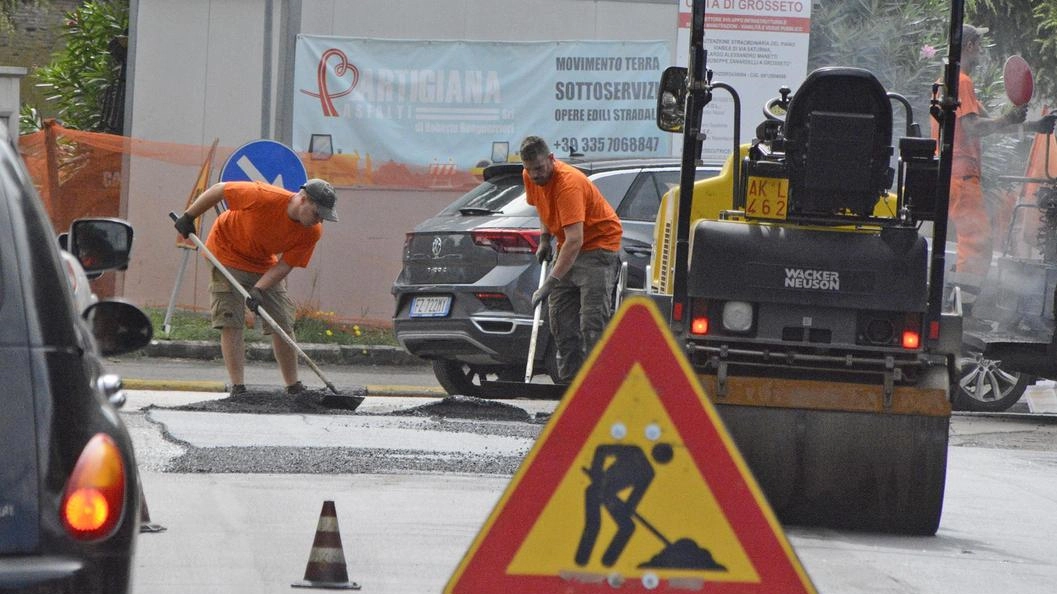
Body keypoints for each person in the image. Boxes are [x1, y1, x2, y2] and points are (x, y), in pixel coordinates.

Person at [173, 178, 339, 396]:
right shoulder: (263, 196)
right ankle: (238, 388)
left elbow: (285, 264)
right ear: (303, 199)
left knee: (282, 321)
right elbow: (220, 190)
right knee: (231, 319)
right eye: (317, 214)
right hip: (225, 252)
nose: (319, 221)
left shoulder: (312, 232)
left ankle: (293, 386)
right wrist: (189, 216)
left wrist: (259, 289)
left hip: (262, 262)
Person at [936, 24, 1056, 295]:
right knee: (977, 243)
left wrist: (1033, 126)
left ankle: (957, 300)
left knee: (973, 242)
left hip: (953, 176)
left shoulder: (951, 79)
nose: (980, 50)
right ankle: (962, 308)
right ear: (969, 47)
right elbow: (973, 127)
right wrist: (1008, 118)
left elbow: (991, 124)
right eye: (978, 44)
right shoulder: (961, 81)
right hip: (961, 177)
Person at [521, 136, 622, 382]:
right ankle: (569, 385)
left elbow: (575, 239)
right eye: (530, 169)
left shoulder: (569, 184)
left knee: (591, 323)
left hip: (598, 247)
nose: (534, 175)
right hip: (568, 248)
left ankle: (599, 386)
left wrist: (549, 283)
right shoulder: (530, 176)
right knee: (561, 323)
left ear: (551, 159)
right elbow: (542, 205)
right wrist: (545, 238)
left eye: (539, 168)